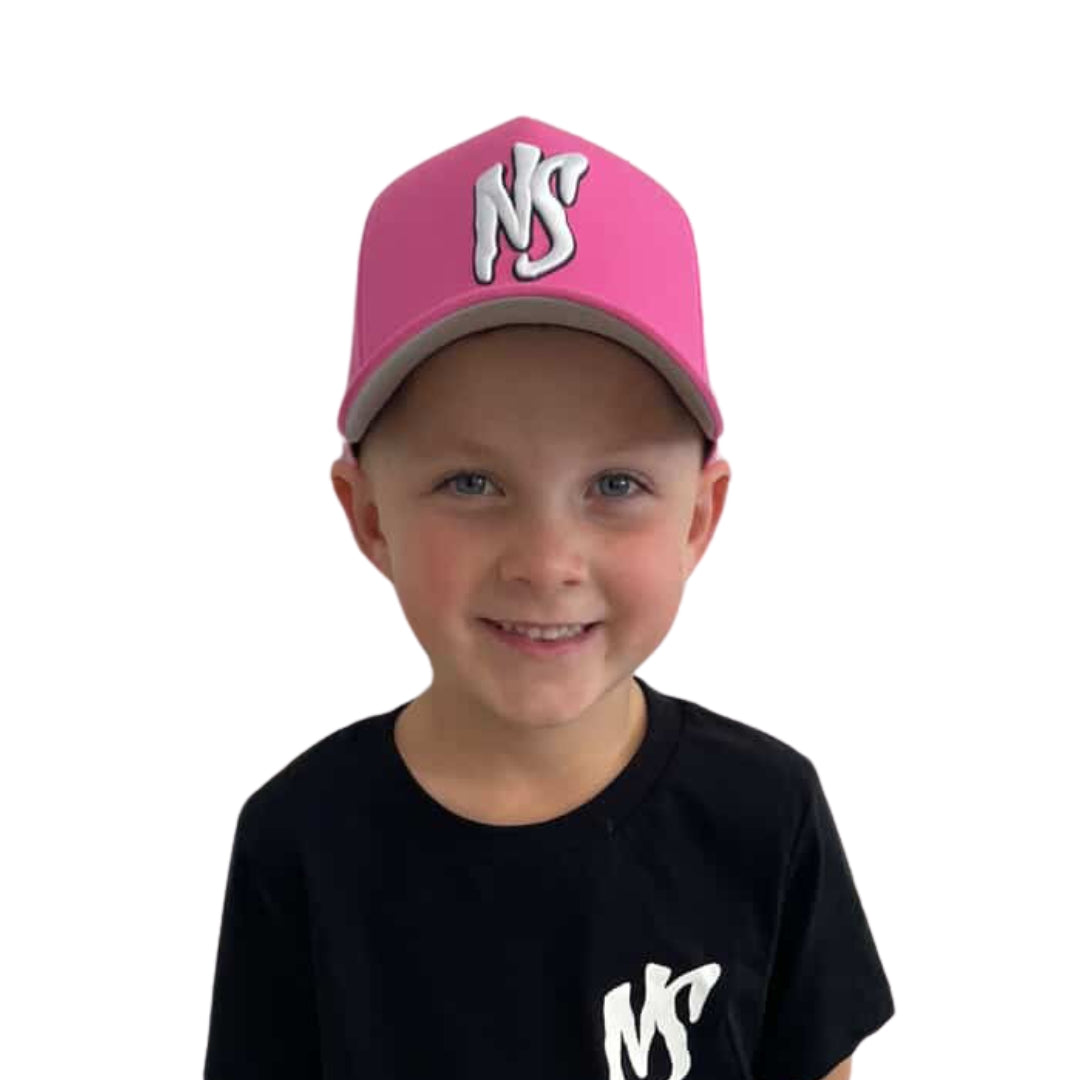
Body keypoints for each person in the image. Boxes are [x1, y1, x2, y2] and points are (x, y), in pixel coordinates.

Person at [203, 116, 895, 1080]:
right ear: (368, 515)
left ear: (699, 517)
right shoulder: (301, 840)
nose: (545, 561)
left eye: (615, 484)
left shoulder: (765, 814)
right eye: (471, 483)